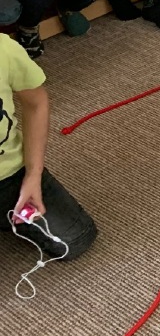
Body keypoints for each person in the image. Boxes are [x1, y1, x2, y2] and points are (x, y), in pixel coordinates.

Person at [0, 33, 97, 261]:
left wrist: (33, 174)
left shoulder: (4, 49)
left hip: (9, 175)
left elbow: (36, 103)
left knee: (75, 240)